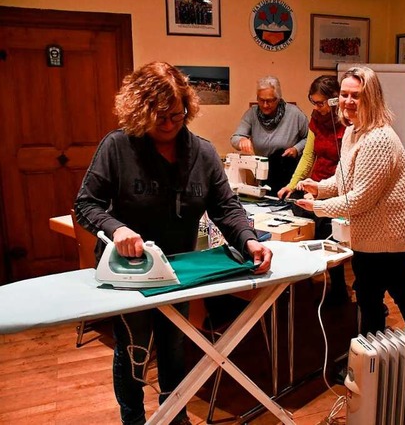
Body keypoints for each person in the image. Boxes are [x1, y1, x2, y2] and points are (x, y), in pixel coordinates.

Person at [74, 61, 272, 425]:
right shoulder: (117, 147)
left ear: (187, 109)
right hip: (130, 271)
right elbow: (86, 204)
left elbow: (225, 206)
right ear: (140, 111)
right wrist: (116, 229)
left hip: (179, 268)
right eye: (159, 117)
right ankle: (133, 418)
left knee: (175, 345)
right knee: (134, 350)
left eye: (176, 116)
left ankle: (175, 414)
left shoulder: (204, 153)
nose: (168, 125)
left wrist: (248, 240)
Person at [295, 66, 405, 336]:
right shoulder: (354, 132)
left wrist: (317, 207)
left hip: (388, 235)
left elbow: (360, 199)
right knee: (372, 294)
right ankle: (378, 356)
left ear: (372, 98)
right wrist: (319, 187)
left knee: (391, 294)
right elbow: (345, 181)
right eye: (344, 95)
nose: (348, 101)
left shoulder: (378, 139)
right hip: (371, 233)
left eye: (357, 95)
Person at [277, 75, 349, 305]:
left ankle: (338, 289)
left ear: (334, 101)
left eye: (320, 103)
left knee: (328, 236)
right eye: (314, 102)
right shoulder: (317, 119)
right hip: (316, 183)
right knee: (303, 228)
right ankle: (305, 284)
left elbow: (345, 168)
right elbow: (309, 155)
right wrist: (292, 184)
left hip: (336, 187)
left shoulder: (348, 125)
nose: (316, 107)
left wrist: (323, 192)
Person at [230, 75, 308, 193]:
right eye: (261, 100)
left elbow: (310, 138)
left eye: (270, 101)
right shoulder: (252, 114)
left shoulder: (294, 114)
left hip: (289, 175)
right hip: (265, 177)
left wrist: (296, 149)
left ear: (278, 98)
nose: (265, 105)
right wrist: (241, 140)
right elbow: (235, 137)